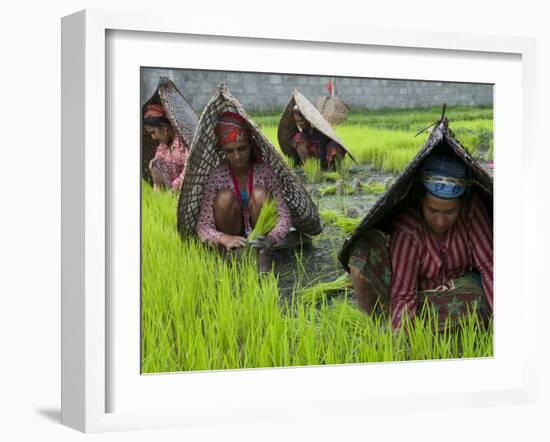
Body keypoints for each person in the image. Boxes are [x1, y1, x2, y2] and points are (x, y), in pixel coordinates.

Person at [349, 155, 493, 331]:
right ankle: (375, 323)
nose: (440, 221)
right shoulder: (409, 228)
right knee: (363, 254)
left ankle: (413, 323)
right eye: (432, 210)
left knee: (475, 295)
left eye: (450, 212)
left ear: (461, 206)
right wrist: (399, 344)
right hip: (417, 297)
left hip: (459, 293)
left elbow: (489, 266)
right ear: (421, 202)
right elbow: (404, 293)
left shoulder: (472, 212)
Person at [196, 112, 292, 250]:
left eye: (242, 148)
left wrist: (271, 238)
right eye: (230, 151)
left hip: (262, 236)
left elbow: (284, 215)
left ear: (250, 146)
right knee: (224, 197)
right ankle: (232, 252)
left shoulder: (265, 172)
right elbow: (203, 225)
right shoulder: (217, 176)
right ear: (223, 151)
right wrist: (224, 239)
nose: (237, 156)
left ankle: (262, 251)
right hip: (232, 234)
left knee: (260, 194)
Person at [143, 103, 189, 192]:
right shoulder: (161, 148)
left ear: (164, 128)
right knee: (155, 163)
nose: (153, 137)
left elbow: (188, 170)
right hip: (169, 194)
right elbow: (158, 178)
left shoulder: (184, 144)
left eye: (153, 132)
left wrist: (175, 187)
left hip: (185, 189)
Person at [290, 106, 345, 170]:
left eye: (301, 120)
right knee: (297, 138)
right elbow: (296, 151)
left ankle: (333, 168)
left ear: (307, 118)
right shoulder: (303, 134)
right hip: (313, 159)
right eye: (297, 121)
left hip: (325, 155)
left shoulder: (320, 129)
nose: (299, 124)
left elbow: (323, 147)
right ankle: (309, 168)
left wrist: (322, 167)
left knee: (334, 145)